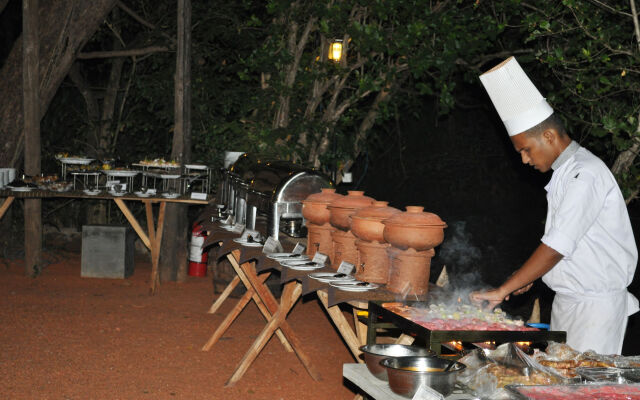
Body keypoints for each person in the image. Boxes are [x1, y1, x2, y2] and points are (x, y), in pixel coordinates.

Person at [470, 56, 639, 355]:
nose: (524, 159)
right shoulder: (565, 173)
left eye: (525, 149)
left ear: (548, 135)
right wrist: (528, 277)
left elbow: (556, 245)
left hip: (595, 312)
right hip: (569, 303)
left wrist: (503, 289)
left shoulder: (585, 173)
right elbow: (568, 246)